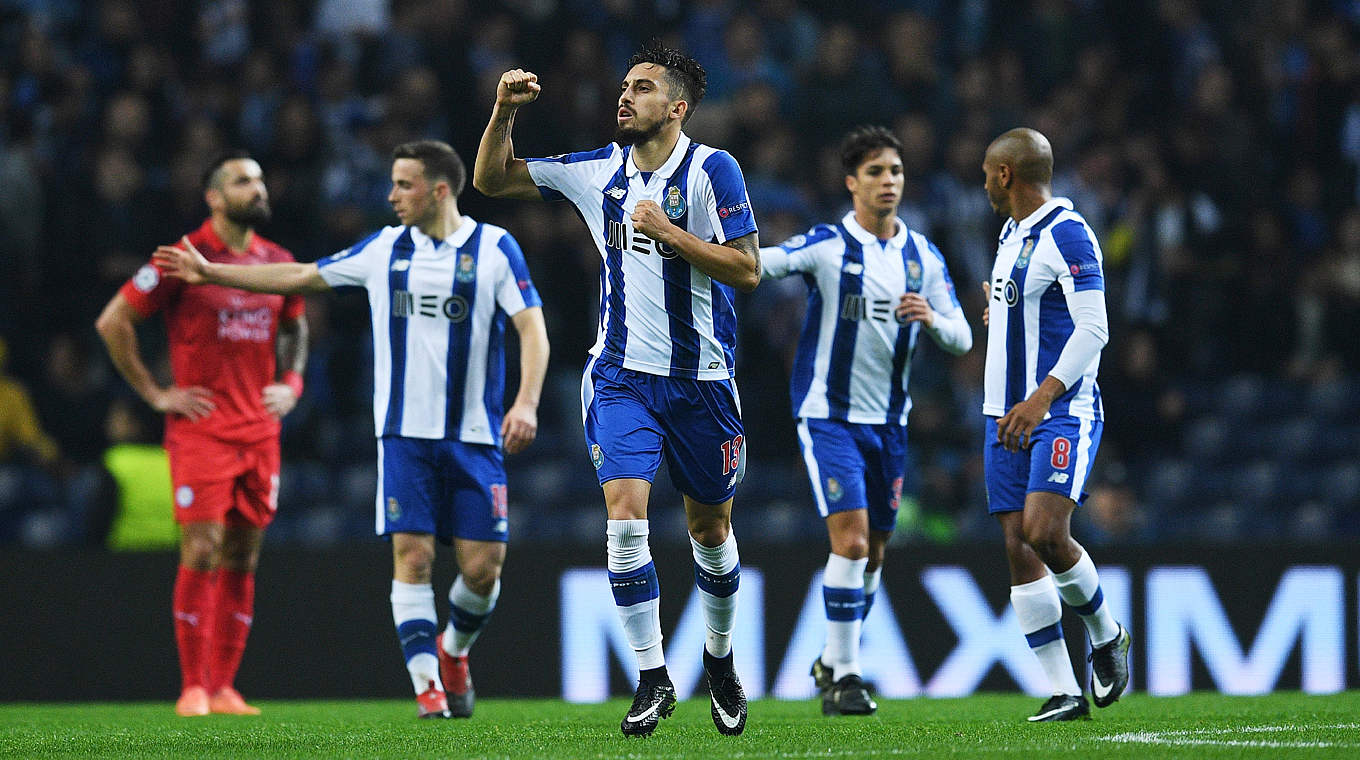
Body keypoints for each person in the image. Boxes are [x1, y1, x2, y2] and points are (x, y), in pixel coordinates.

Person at [154, 140, 549, 721]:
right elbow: (302, 276)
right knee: (412, 559)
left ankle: (454, 651)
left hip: (476, 436)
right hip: (403, 439)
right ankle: (427, 688)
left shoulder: (493, 249)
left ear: (439, 190)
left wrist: (528, 403)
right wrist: (212, 270)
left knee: (482, 572)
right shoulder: (384, 249)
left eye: (404, 185)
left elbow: (531, 330)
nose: (391, 196)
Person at [473, 40, 760, 737]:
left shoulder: (712, 170)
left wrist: (669, 232)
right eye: (623, 86)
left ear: (678, 106)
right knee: (625, 517)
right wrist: (502, 113)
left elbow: (747, 269)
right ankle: (653, 675)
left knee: (710, 529)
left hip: (703, 383)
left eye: (641, 88)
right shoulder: (598, 169)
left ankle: (718, 661)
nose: (624, 96)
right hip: (620, 377)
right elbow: (490, 181)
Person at [759, 125, 972, 716]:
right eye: (877, 172)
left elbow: (961, 335)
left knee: (876, 552)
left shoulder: (922, 256)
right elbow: (765, 263)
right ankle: (846, 678)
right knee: (851, 542)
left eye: (896, 172)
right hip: (828, 415)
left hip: (890, 423)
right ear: (852, 182)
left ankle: (831, 656)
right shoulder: (828, 246)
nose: (889, 182)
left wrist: (931, 318)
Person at [95, 151, 309, 717]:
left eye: (261, 179)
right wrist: (155, 394)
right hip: (202, 432)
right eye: (243, 181)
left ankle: (225, 688)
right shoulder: (180, 259)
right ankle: (193, 686)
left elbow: (297, 327)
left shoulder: (277, 260)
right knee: (203, 548)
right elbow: (113, 321)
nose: (257, 189)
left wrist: (292, 381)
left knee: (243, 555)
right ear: (214, 197)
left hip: (260, 432)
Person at [979, 128, 1130, 722]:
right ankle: (1064, 691)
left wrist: (1041, 398)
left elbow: (1094, 328)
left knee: (1045, 532)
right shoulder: (1011, 233)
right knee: (1018, 548)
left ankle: (1106, 632)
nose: (984, 181)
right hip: (1002, 413)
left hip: (1058, 411)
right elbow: (1030, 307)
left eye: (988, 171)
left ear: (1007, 175)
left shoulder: (1068, 232)